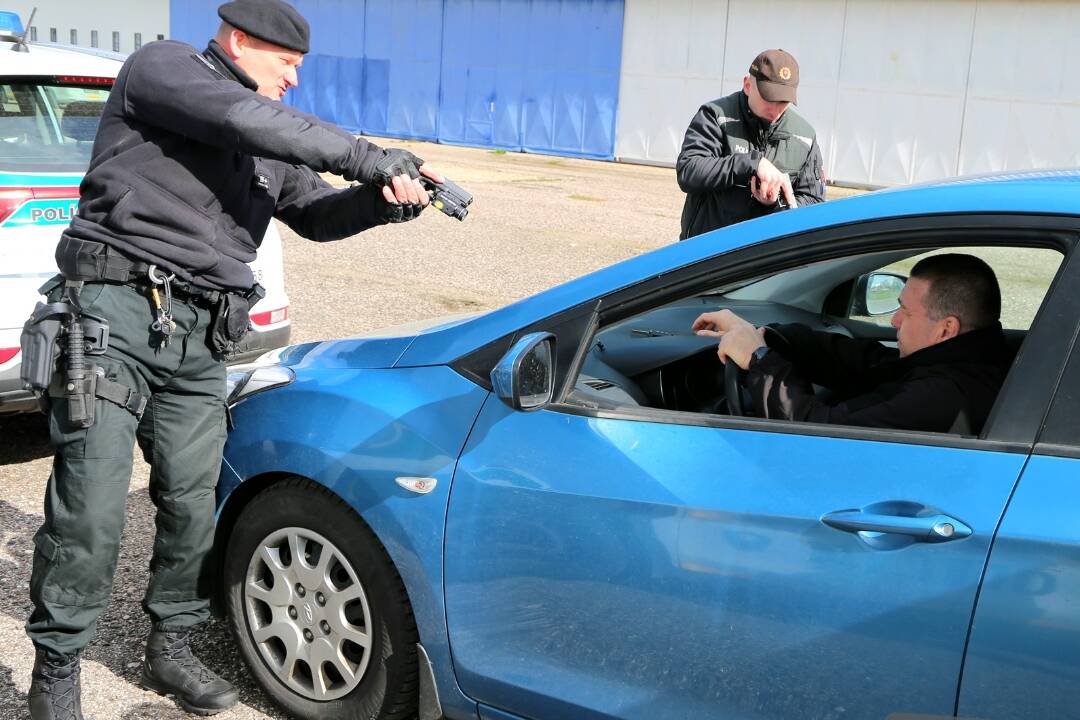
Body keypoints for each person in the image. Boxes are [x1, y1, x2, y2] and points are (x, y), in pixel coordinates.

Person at [24, 1, 446, 718]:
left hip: (199, 336)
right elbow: (243, 119)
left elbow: (314, 214)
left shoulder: (268, 139)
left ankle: (172, 645)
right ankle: (57, 668)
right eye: (286, 63)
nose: (293, 80)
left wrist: (382, 201)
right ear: (240, 40)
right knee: (92, 505)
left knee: (193, 503)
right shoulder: (165, 69)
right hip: (116, 314)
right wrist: (368, 153)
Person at [691, 254, 1011, 434]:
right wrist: (766, 336)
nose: (894, 321)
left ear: (945, 330)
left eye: (906, 312)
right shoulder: (960, 361)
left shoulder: (944, 394)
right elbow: (864, 363)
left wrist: (760, 359)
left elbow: (819, 433)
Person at [676, 49, 825, 240]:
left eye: (783, 101)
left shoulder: (805, 136)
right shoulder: (716, 116)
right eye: (768, 97)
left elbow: (813, 202)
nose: (775, 109)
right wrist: (752, 163)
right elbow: (689, 170)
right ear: (747, 85)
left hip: (764, 258)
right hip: (708, 253)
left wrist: (775, 203)